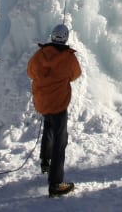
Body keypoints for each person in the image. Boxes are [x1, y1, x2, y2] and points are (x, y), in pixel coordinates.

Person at [27, 23, 82, 198]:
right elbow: (75, 75)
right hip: (58, 104)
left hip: (43, 103)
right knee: (60, 141)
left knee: (48, 128)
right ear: (65, 38)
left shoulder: (39, 55)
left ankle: (45, 160)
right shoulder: (68, 58)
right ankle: (56, 183)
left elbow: (30, 72)